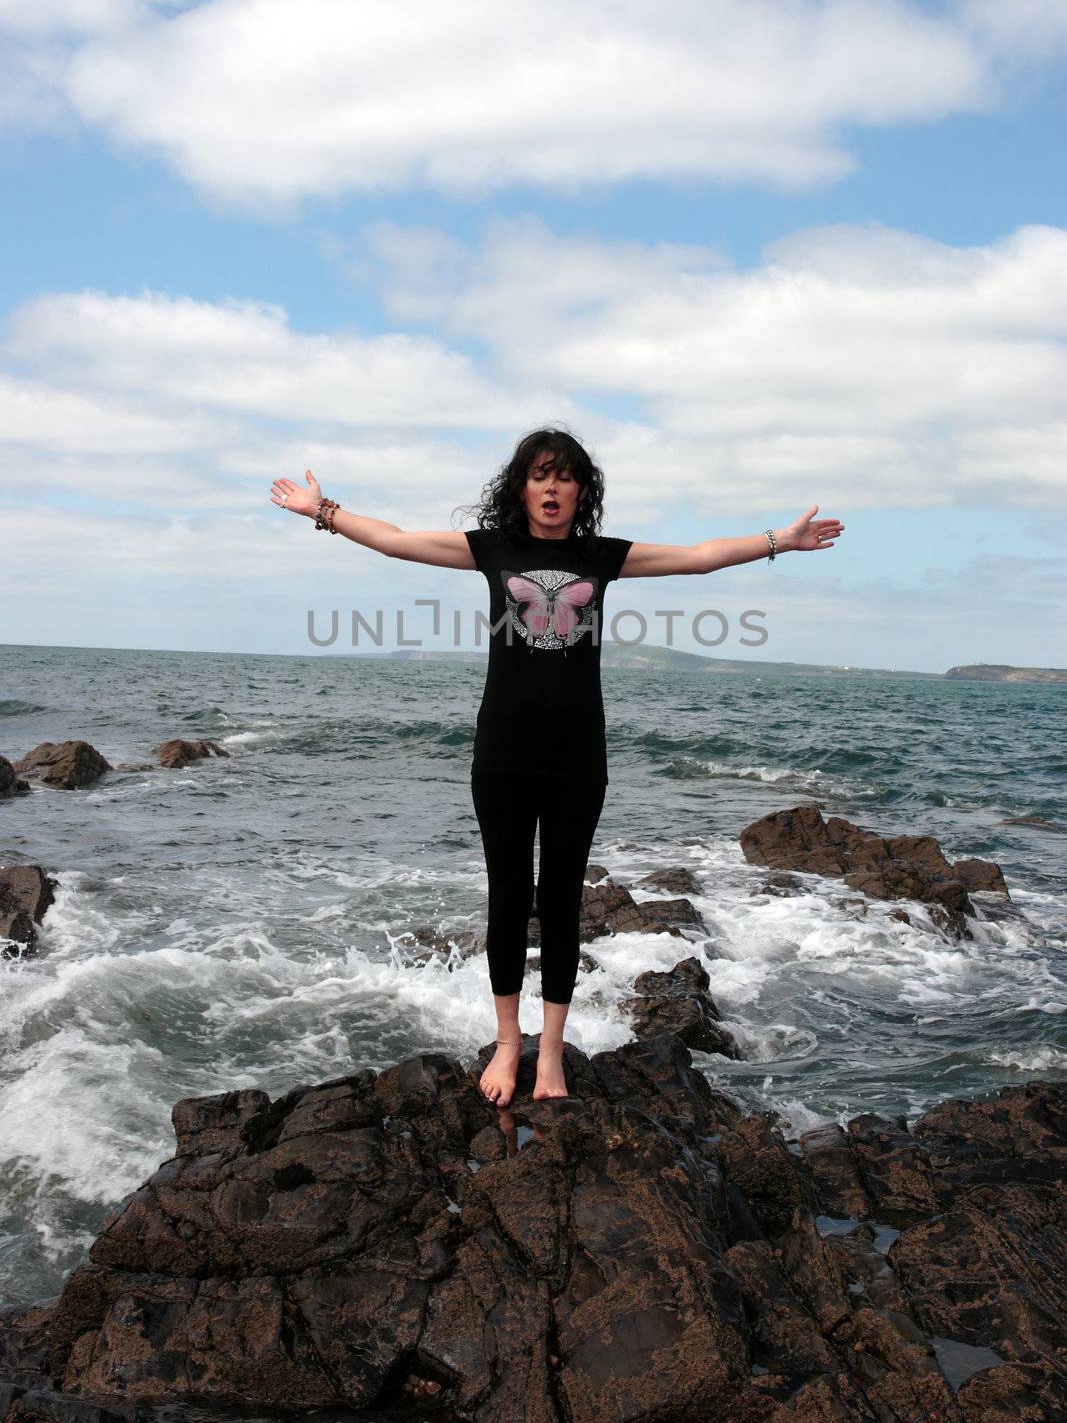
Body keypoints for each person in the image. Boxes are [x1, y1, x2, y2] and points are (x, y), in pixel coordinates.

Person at [271, 426, 843, 1108]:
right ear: (522, 487)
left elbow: (698, 557)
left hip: (577, 754)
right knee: (509, 897)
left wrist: (781, 539)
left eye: (563, 476)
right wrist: (323, 511)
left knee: (561, 902)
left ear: (580, 490)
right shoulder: (492, 549)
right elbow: (396, 539)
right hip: (502, 752)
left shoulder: (601, 556)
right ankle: (507, 1043)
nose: (551, 487)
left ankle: (550, 1052)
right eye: (539, 475)